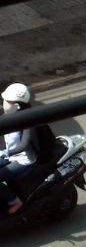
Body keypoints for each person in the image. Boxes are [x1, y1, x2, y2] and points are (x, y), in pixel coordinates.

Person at [0, 83, 36, 214]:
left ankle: (15, 201)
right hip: (10, 156)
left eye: (8, 101)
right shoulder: (7, 117)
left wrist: (5, 152)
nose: (4, 103)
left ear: (17, 105)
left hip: (23, 161)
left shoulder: (26, 120)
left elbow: (24, 145)